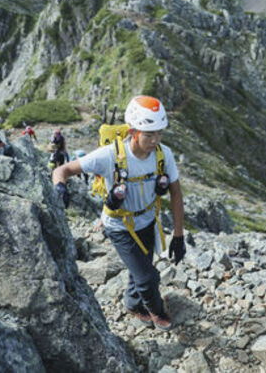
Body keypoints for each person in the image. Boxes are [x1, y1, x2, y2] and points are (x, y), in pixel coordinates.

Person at [52, 95, 186, 331]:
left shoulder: (164, 155)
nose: (155, 140)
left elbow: (176, 194)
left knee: (141, 268)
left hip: (147, 221)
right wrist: (59, 187)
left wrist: (178, 235)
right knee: (148, 277)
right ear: (133, 131)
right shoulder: (110, 156)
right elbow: (63, 170)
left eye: (159, 133)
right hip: (119, 226)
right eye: (149, 134)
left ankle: (133, 304)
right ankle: (156, 311)